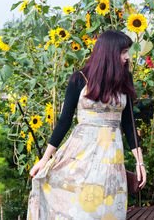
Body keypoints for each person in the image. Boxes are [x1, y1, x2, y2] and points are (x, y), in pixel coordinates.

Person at [26, 29, 147, 220]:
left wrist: (139, 161)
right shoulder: (79, 78)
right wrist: (45, 159)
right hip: (81, 154)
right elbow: (64, 121)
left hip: (110, 160)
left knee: (107, 207)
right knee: (80, 208)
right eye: (123, 52)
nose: (127, 57)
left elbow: (129, 124)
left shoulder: (125, 79)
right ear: (109, 53)